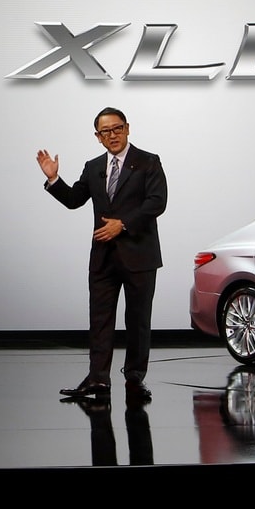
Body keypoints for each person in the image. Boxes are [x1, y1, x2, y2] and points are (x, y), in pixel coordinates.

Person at [36, 106, 168, 403]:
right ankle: (98, 379)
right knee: (100, 320)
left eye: (117, 128)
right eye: (105, 131)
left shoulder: (148, 162)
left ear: (127, 128)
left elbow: (157, 202)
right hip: (104, 257)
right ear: (98, 137)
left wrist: (122, 224)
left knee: (138, 321)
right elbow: (73, 200)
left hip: (140, 257)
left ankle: (134, 379)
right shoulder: (93, 166)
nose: (113, 135)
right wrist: (55, 180)